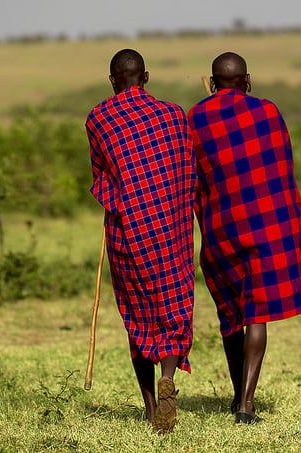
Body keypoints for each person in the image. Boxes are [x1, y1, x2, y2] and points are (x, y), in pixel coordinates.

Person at [188, 51, 301, 424]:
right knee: (256, 314)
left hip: (222, 229)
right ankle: (245, 405)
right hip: (267, 226)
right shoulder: (269, 112)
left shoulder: (195, 117)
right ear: (247, 81)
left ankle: (237, 395)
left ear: (211, 83)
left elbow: (194, 181)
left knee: (231, 314)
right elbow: (282, 171)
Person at [85, 49, 195, 434]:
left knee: (137, 312)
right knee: (172, 301)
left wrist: (119, 199)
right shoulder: (173, 114)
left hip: (128, 230)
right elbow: (187, 173)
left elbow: (101, 177)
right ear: (145, 77)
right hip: (171, 228)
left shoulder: (99, 118)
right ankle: (169, 375)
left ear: (113, 80)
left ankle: (150, 407)